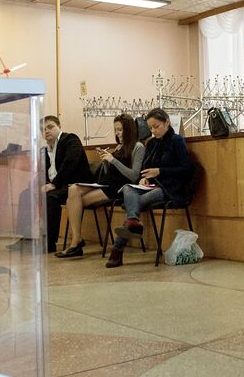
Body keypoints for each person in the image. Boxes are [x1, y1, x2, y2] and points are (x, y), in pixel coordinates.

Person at [106, 108, 192, 268]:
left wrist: (160, 171)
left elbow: (186, 169)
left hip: (169, 187)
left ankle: (117, 249)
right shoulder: (151, 143)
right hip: (151, 185)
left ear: (166, 123)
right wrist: (144, 178)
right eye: (150, 128)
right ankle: (132, 222)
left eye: (156, 126)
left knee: (135, 204)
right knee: (127, 188)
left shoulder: (176, 140)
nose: (153, 131)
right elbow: (144, 167)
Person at [54, 114, 145, 259]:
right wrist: (106, 161)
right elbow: (111, 171)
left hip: (119, 187)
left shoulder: (138, 147)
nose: (117, 133)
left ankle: (76, 242)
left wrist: (113, 160)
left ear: (129, 130)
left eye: (120, 130)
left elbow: (134, 175)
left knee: (74, 202)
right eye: (116, 130)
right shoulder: (120, 146)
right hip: (107, 183)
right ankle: (77, 239)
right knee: (73, 190)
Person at [39, 115, 90, 254]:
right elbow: (41, 172)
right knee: (27, 194)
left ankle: (49, 243)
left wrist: (53, 184)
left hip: (76, 185)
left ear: (59, 126)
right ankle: (27, 238)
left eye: (50, 127)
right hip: (58, 186)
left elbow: (70, 164)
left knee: (51, 197)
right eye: (43, 129)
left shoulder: (70, 140)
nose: (46, 131)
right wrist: (42, 185)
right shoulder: (44, 151)